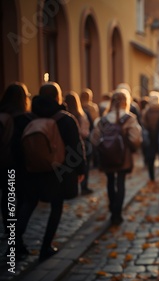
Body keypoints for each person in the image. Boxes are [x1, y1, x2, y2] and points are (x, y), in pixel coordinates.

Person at [17, 82, 86, 261]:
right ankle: (46, 247)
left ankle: (15, 244)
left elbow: (18, 148)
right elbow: (76, 148)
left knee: (28, 204)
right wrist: (80, 169)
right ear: (58, 97)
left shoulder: (26, 118)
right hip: (58, 172)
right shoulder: (66, 119)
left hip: (31, 171)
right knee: (56, 206)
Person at [90, 89, 142, 225]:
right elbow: (136, 138)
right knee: (121, 183)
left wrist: (102, 149)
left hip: (106, 157)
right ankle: (117, 214)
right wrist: (131, 147)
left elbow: (94, 139)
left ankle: (112, 207)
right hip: (122, 157)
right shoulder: (128, 118)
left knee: (110, 181)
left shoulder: (103, 119)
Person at [0, 83, 31, 245]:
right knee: (22, 197)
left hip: (3, 164)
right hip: (18, 164)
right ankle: (15, 232)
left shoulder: (2, 116)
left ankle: (8, 228)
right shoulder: (23, 118)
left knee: (7, 195)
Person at [65, 91, 93, 195]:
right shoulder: (82, 114)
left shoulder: (64, 117)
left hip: (67, 145)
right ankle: (83, 186)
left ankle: (71, 187)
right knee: (83, 166)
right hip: (82, 144)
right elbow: (86, 132)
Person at [141, 91, 159, 183]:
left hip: (150, 137)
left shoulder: (147, 111)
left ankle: (152, 177)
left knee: (151, 159)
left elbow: (144, 123)